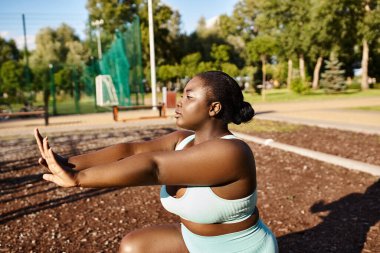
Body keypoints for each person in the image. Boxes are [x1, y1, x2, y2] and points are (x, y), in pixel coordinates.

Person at [34, 70, 278, 253]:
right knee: (133, 247)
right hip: (194, 241)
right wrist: (68, 163)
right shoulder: (183, 140)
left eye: (189, 97)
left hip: (238, 248)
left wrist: (79, 180)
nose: (179, 102)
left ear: (213, 108)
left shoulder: (232, 152)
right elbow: (130, 149)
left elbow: (154, 167)